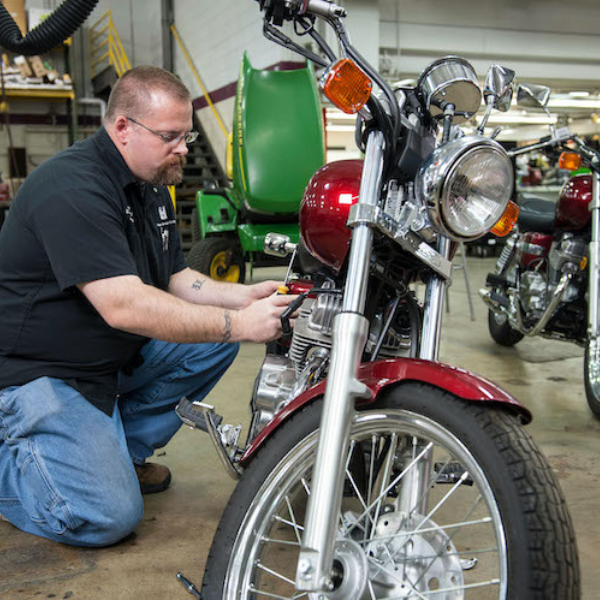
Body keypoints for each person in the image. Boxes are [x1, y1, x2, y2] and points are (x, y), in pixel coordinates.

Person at [0, 66, 296, 547]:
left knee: (213, 344)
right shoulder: (73, 189)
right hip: (41, 373)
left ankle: (121, 453)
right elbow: (123, 305)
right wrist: (238, 323)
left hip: (106, 360)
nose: (184, 147)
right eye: (170, 136)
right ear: (123, 129)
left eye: (187, 134)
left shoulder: (153, 182)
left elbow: (175, 278)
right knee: (105, 516)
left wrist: (244, 297)